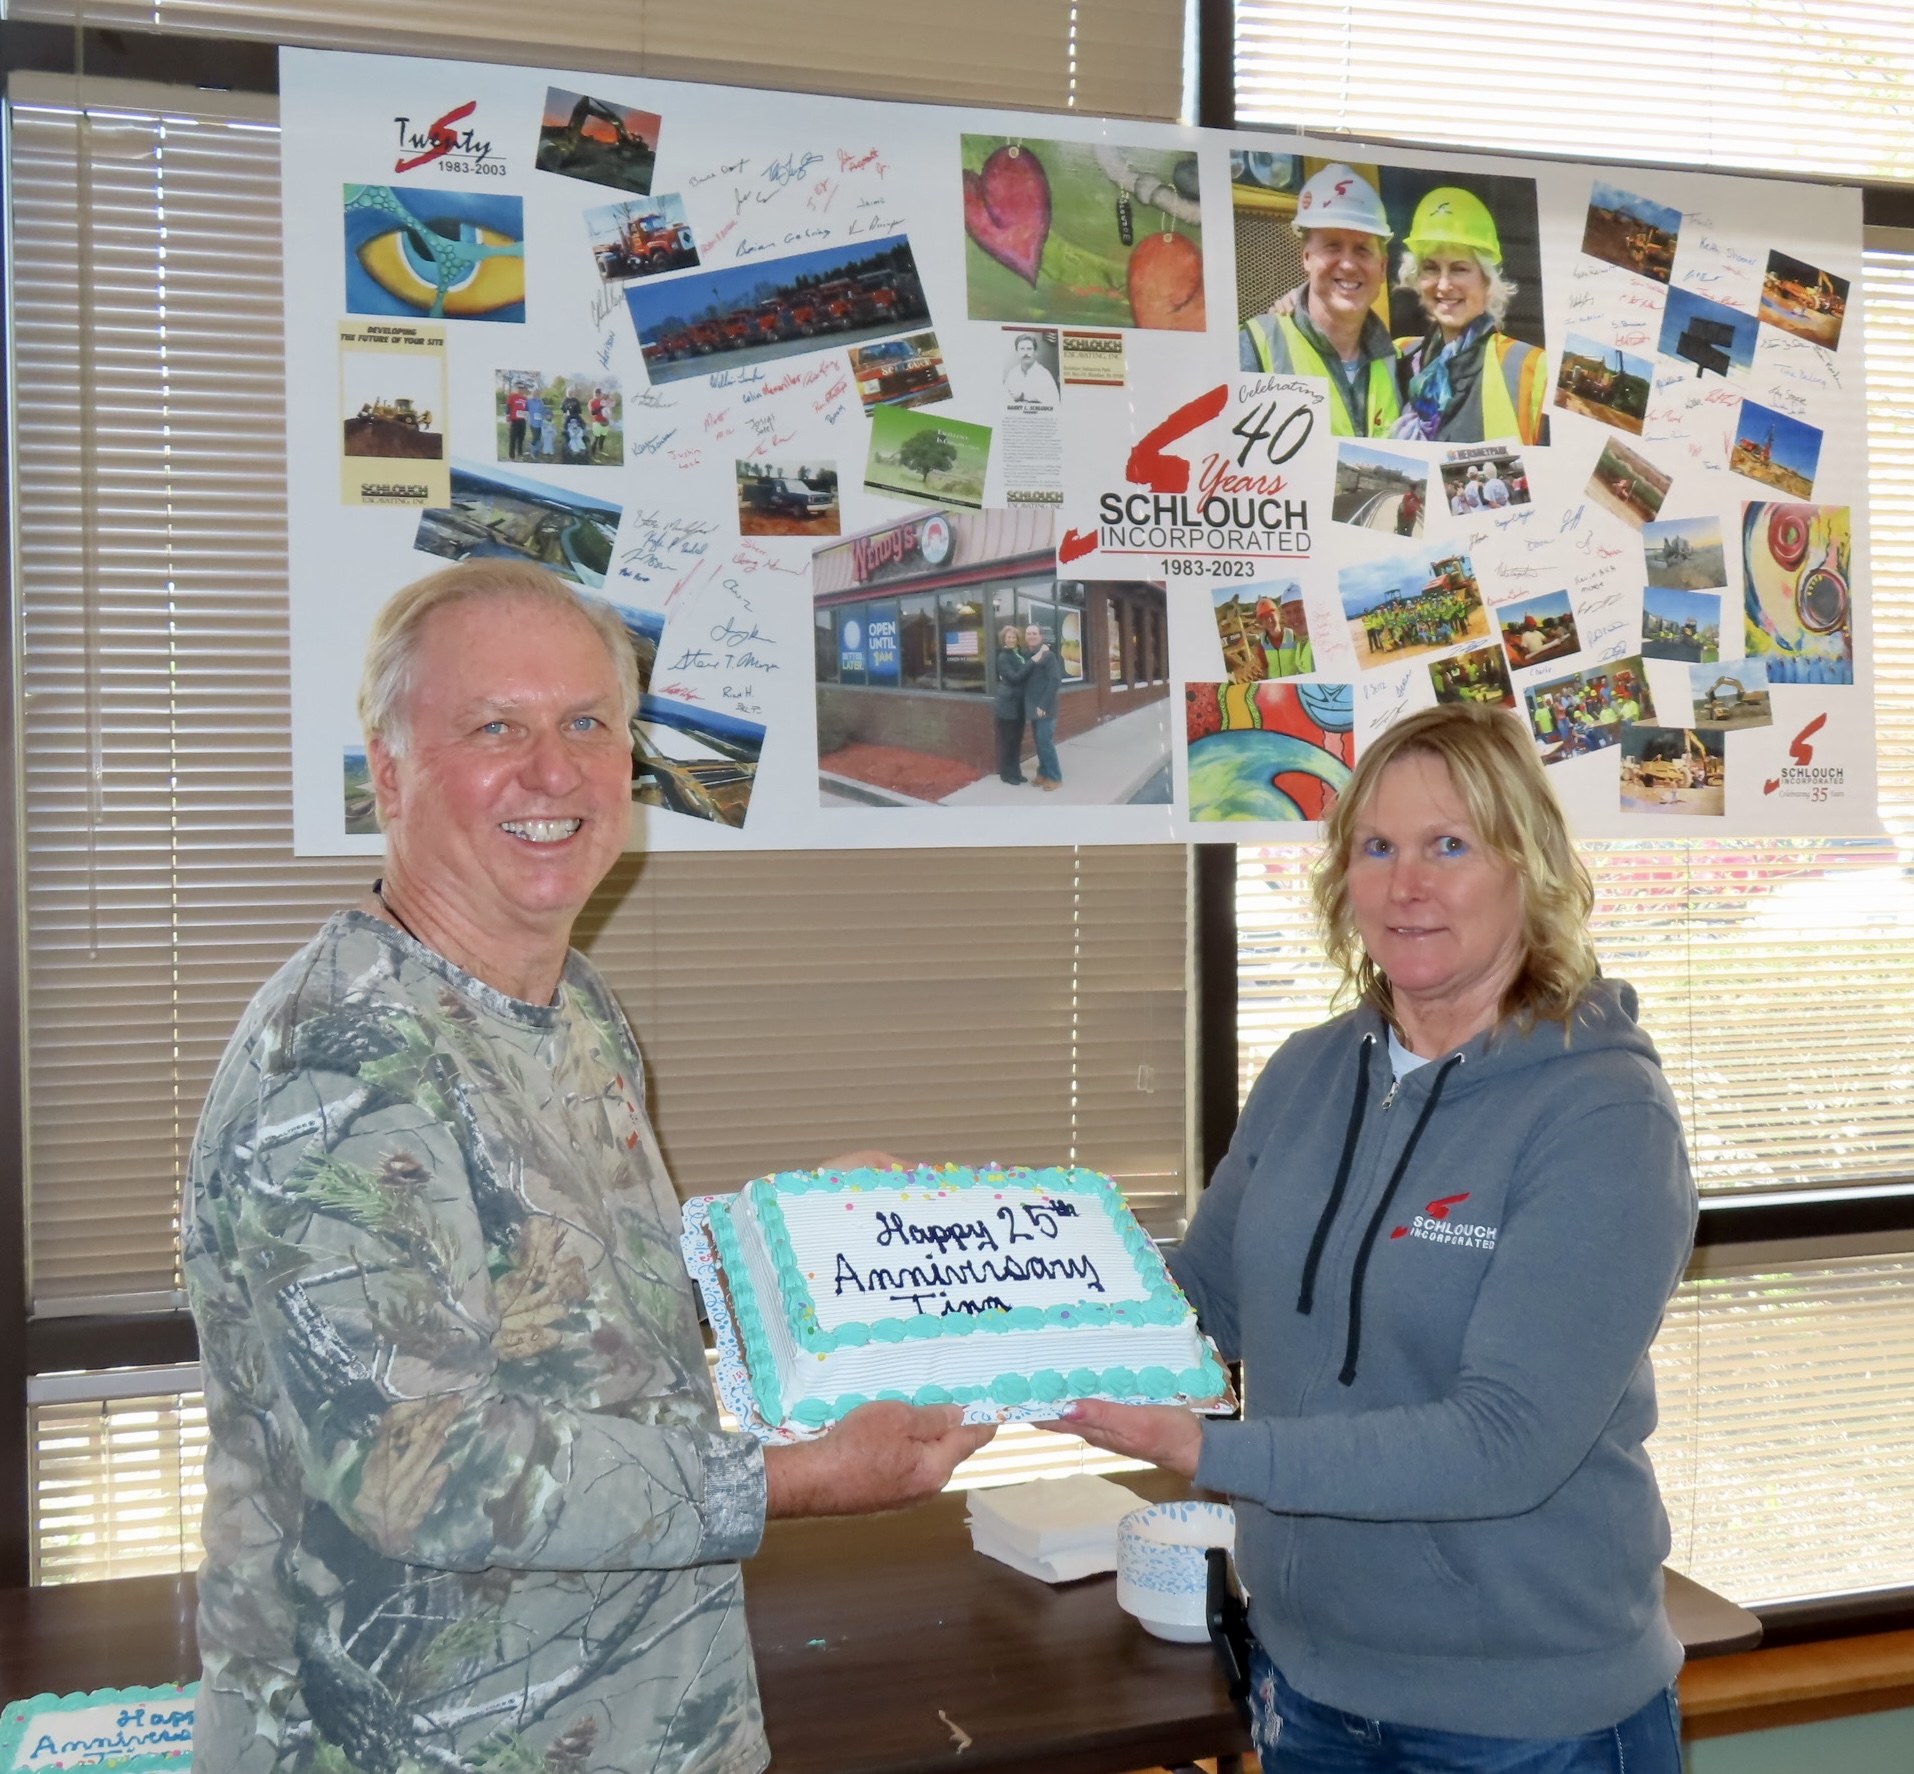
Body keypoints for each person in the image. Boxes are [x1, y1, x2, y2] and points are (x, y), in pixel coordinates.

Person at [184, 561, 994, 1774]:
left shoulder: (565, 1004)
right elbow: (420, 1464)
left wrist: (785, 1232)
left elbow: (564, 1296)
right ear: (390, 768)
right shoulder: (346, 1059)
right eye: (495, 726)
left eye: (586, 724)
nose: (552, 771)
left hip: (642, 1719)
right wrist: (798, 1477)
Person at [1054, 702, 1695, 1772]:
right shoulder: (1309, 1071)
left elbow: (1503, 1441)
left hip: (1528, 1719)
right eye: (1377, 847)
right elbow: (1201, 1301)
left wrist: (1202, 1449)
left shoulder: (1601, 1116)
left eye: (1450, 845)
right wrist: (996, 1287)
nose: (1409, 884)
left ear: (1527, 868)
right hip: (1308, 1687)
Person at [1238, 164, 1403, 438]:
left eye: (1362, 249)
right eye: (1332, 246)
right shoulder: (1255, 348)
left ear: (1383, 267)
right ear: (1307, 257)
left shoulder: (1400, 365)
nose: (1348, 264)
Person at [1391, 187, 1550, 446]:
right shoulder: (1399, 357)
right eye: (1431, 268)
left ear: (1487, 280)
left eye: (1459, 269)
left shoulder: (1532, 369)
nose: (1443, 285)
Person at [1022, 620, 1064, 790]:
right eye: (1029, 633)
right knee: (1039, 743)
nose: (1031, 636)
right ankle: (1043, 773)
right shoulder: (1030, 655)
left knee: (1045, 742)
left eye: (1034, 633)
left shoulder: (1048, 656)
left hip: (1045, 707)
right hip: (1033, 706)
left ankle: (1055, 777)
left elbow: (1055, 681)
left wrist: (1043, 705)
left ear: (1040, 637)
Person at [993, 622, 1032, 784]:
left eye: (1014, 636)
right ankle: (1006, 774)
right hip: (1007, 705)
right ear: (1004, 639)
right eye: (1008, 637)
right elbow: (1015, 677)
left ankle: (1016, 771)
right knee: (1008, 741)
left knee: (1017, 740)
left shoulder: (1020, 654)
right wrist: (1031, 664)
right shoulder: (1003, 657)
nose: (1011, 639)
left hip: (1019, 705)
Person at [1001, 330, 1060, 407]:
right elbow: (1003, 401)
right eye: (1022, 349)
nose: (1026, 353)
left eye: (1029, 349)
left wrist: (1023, 396)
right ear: (1017, 353)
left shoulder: (1044, 374)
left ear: (1035, 352)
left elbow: (1055, 403)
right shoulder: (1012, 374)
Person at [505, 381, 529, 459]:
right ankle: (512, 455)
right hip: (514, 420)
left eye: (522, 388)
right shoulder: (512, 396)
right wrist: (508, 419)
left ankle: (520, 453)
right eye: (519, 388)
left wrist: (527, 417)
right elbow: (508, 407)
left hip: (522, 421)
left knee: (521, 438)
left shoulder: (525, 398)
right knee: (513, 438)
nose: (521, 390)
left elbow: (526, 409)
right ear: (517, 388)